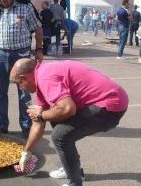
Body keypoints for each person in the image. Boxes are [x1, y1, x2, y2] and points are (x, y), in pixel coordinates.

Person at [10, 58, 128, 186]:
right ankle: (73, 170)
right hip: (107, 99)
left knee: (59, 136)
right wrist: (26, 152)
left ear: (25, 77)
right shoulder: (41, 76)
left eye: (19, 83)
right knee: (54, 117)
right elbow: (38, 122)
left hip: (111, 105)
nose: (21, 88)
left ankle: (75, 182)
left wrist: (41, 115)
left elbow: (67, 109)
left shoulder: (45, 78)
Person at [0, 0, 43, 136]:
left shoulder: (26, 7)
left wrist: (39, 49)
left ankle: (26, 126)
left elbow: (38, 28)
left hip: (21, 55)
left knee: (24, 94)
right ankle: (2, 126)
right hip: (0, 55)